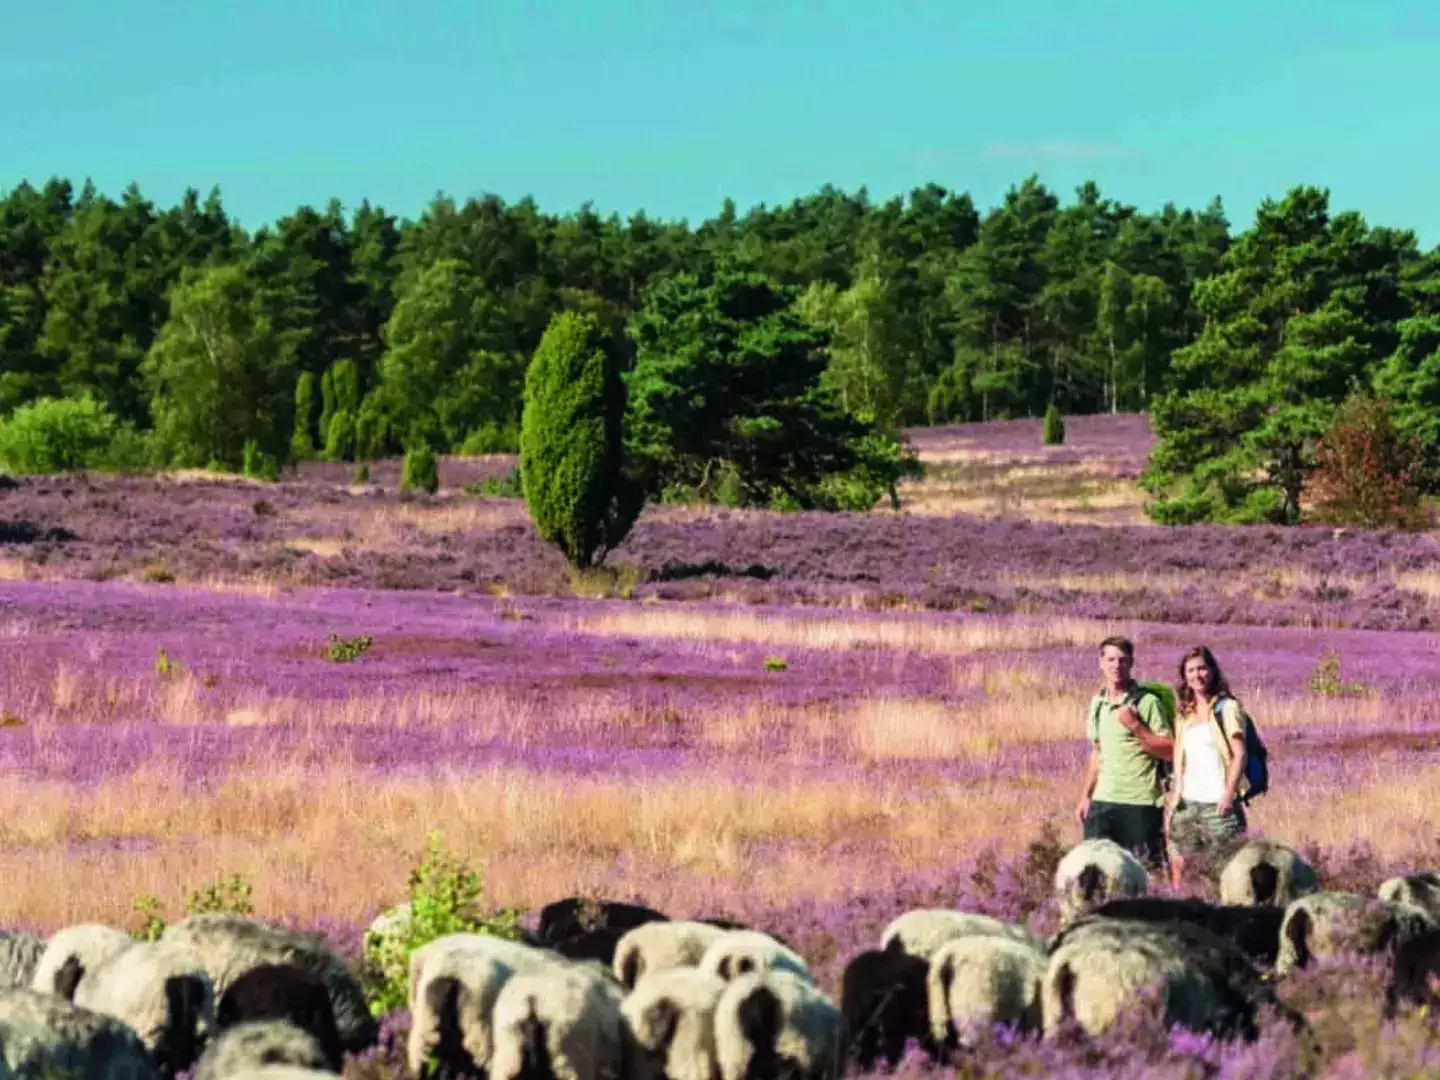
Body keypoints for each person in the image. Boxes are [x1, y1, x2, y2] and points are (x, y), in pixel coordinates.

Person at [1075, 636, 1175, 868]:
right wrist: (1086, 796)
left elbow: (1169, 750)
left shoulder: (1147, 702)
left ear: (1131, 663)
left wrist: (1135, 726)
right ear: (1101, 663)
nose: (1116, 666)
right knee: (1095, 871)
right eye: (1110, 659)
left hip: (1140, 802)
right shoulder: (1097, 702)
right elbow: (1097, 752)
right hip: (1103, 801)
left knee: (1146, 871)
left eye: (1122, 660)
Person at [1164, 645, 1250, 888]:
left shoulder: (1228, 708)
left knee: (1225, 873)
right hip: (1187, 806)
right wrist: (1172, 803)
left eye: (1202, 668)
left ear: (1212, 671)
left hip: (1218, 807)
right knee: (1182, 870)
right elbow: (1181, 763)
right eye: (1190, 670)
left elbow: (1239, 754)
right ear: (1184, 676)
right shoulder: (1184, 714)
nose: (1197, 675)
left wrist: (1227, 794)